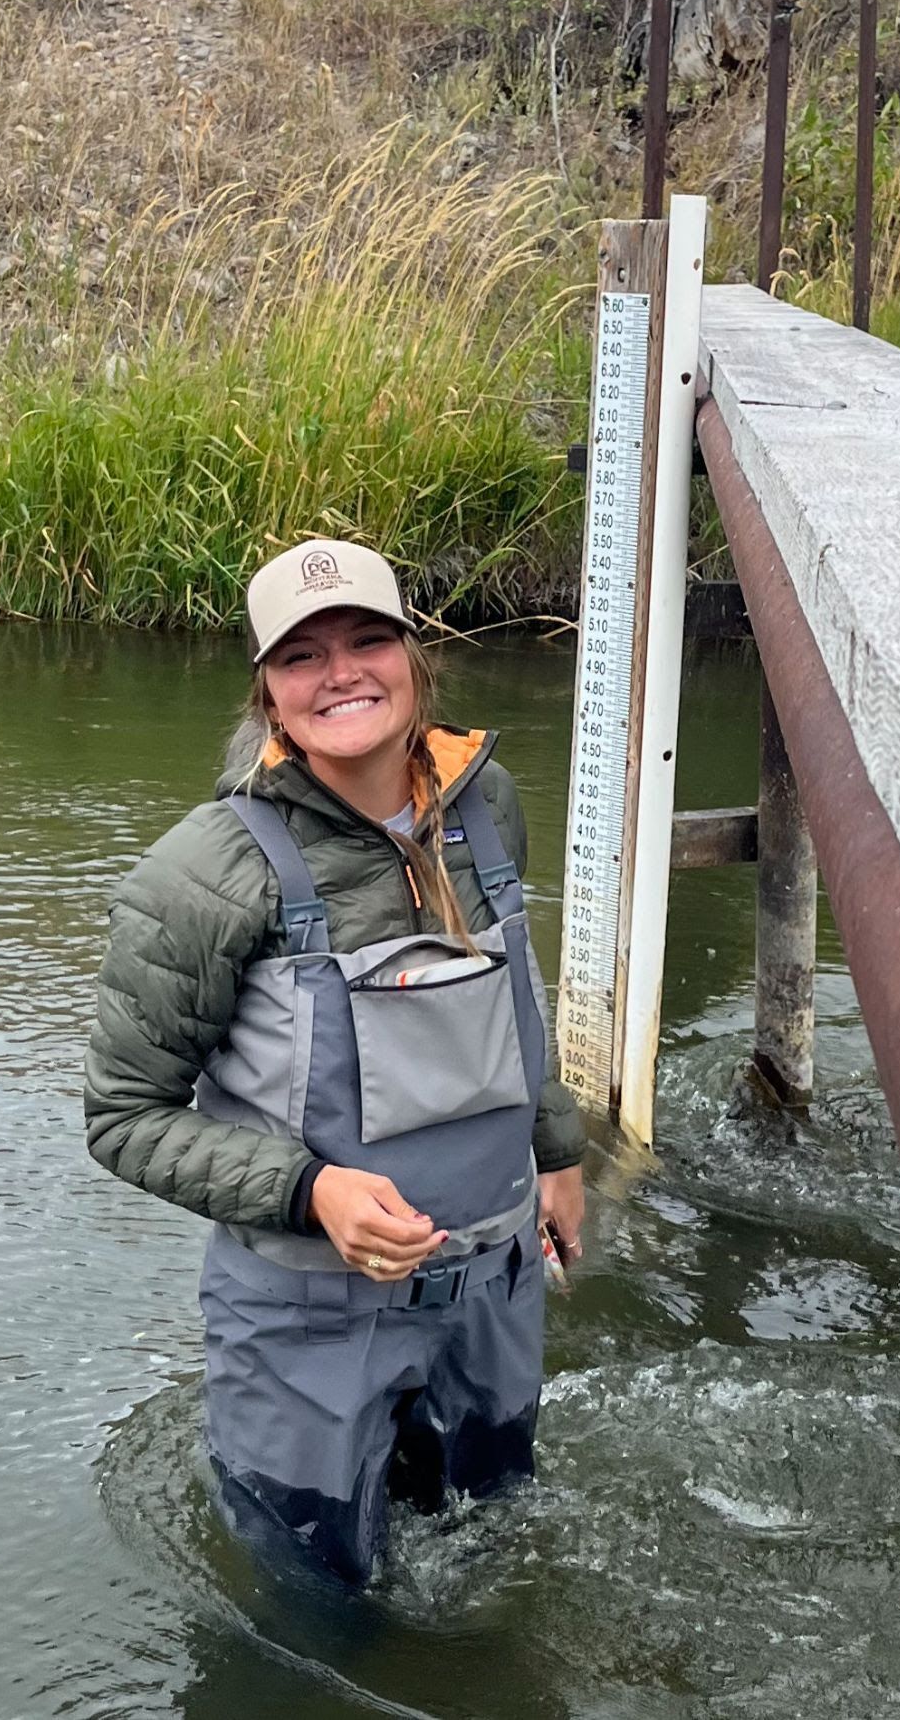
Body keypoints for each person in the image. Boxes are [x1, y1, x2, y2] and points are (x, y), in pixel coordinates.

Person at [84, 537, 589, 1589]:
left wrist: (555, 1147)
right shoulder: (204, 873)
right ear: (267, 692)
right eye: (302, 655)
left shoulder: (488, 805)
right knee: (314, 1601)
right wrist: (311, 1190)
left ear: (416, 658)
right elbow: (122, 1117)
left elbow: (514, 994)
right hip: (305, 1319)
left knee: (493, 1556)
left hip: (492, 1284)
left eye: (368, 638)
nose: (341, 671)